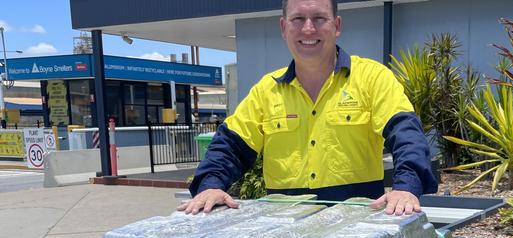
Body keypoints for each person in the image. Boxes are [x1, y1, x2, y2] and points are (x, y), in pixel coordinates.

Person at [179, 0, 437, 216]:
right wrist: (210, 185)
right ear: (283, 27)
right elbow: (230, 146)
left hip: (356, 230)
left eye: (319, 18)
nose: (308, 28)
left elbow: (406, 134)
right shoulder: (266, 91)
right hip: (284, 231)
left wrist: (406, 187)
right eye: (298, 19)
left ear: (336, 26)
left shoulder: (372, 78)